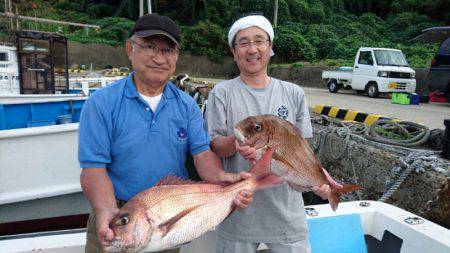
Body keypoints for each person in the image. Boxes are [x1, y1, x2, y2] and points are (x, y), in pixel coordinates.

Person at [78, 13, 253, 253]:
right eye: (150, 47)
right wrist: (106, 209)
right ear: (130, 48)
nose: (160, 58)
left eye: (168, 50)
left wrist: (223, 179)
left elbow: (202, 155)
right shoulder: (101, 103)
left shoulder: (187, 105)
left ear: (176, 57)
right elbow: (93, 168)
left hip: (168, 217)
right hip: (118, 216)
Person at [205, 15, 342, 253]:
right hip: (238, 213)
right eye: (243, 43)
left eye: (259, 41)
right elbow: (216, 145)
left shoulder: (294, 93)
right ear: (233, 51)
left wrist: (315, 182)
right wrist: (235, 145)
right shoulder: (221, 92)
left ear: (270, 48)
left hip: (287, 216)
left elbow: (303, 151)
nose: (252, 49)